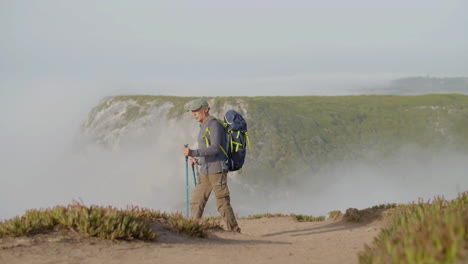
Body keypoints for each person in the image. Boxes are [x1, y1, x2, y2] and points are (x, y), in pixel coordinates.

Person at [183, 98, 241, 232]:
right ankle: (192, 229)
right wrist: (197, 160)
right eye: (192, 111)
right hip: (205, 171)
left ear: (206, 109)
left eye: (197, 110)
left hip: (217, 170)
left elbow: (215, 148)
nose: (194, 113)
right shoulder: (203, 125)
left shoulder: (214, 125)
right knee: (196, 201)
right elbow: (209, 151)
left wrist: (193, 152)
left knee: (222, 203)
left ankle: (235, 231)